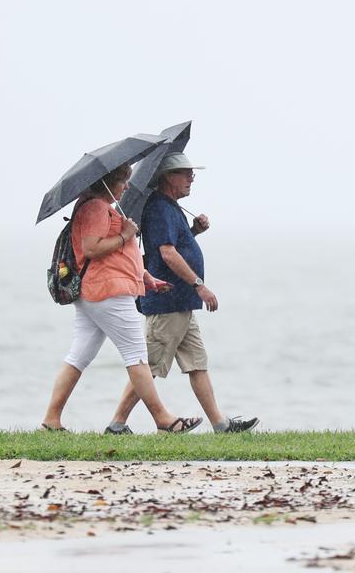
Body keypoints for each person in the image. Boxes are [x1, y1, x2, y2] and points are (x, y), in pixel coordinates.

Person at [40, 163, 203, 434]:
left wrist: (145, 276)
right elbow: (91, 248)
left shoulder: (100, 207)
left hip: (99, 292)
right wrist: (125, 234)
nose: (126, 187)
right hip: (109, 293)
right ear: (107, 182)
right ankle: (163, 419)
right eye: (122, 182)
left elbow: (117, 255)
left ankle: (51, 420)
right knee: (137, 357)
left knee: (79, 356)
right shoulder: (94, 207)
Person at [106, 153, 258, 434]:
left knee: (197, 364)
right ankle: (117, 423)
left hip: (181, 303)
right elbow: (166, 253)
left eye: (192, 173)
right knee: (150, 366)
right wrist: (199, 284)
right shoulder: (159, 208)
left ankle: (221, 425)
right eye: (185, 173)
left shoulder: (171, 207)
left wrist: (194, 232)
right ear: (167, 177)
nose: (191, 178)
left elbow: (173, 244)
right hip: (167, 302)